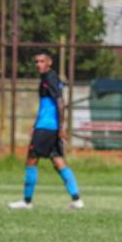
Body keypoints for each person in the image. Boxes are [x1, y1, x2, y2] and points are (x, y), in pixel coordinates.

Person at [8, 51, 83, 210]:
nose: (38, 65)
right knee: (58, 161)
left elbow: (61, 103)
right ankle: (77, 200)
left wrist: (61, 127)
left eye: (42, 61)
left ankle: (27, 201)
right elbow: (45, 106)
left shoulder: (50, 78)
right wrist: (35, 124)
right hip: (46, 126)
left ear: (49, 62)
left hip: (47, 128)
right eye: (36, 61)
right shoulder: (47, 78)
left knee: (31, 160)